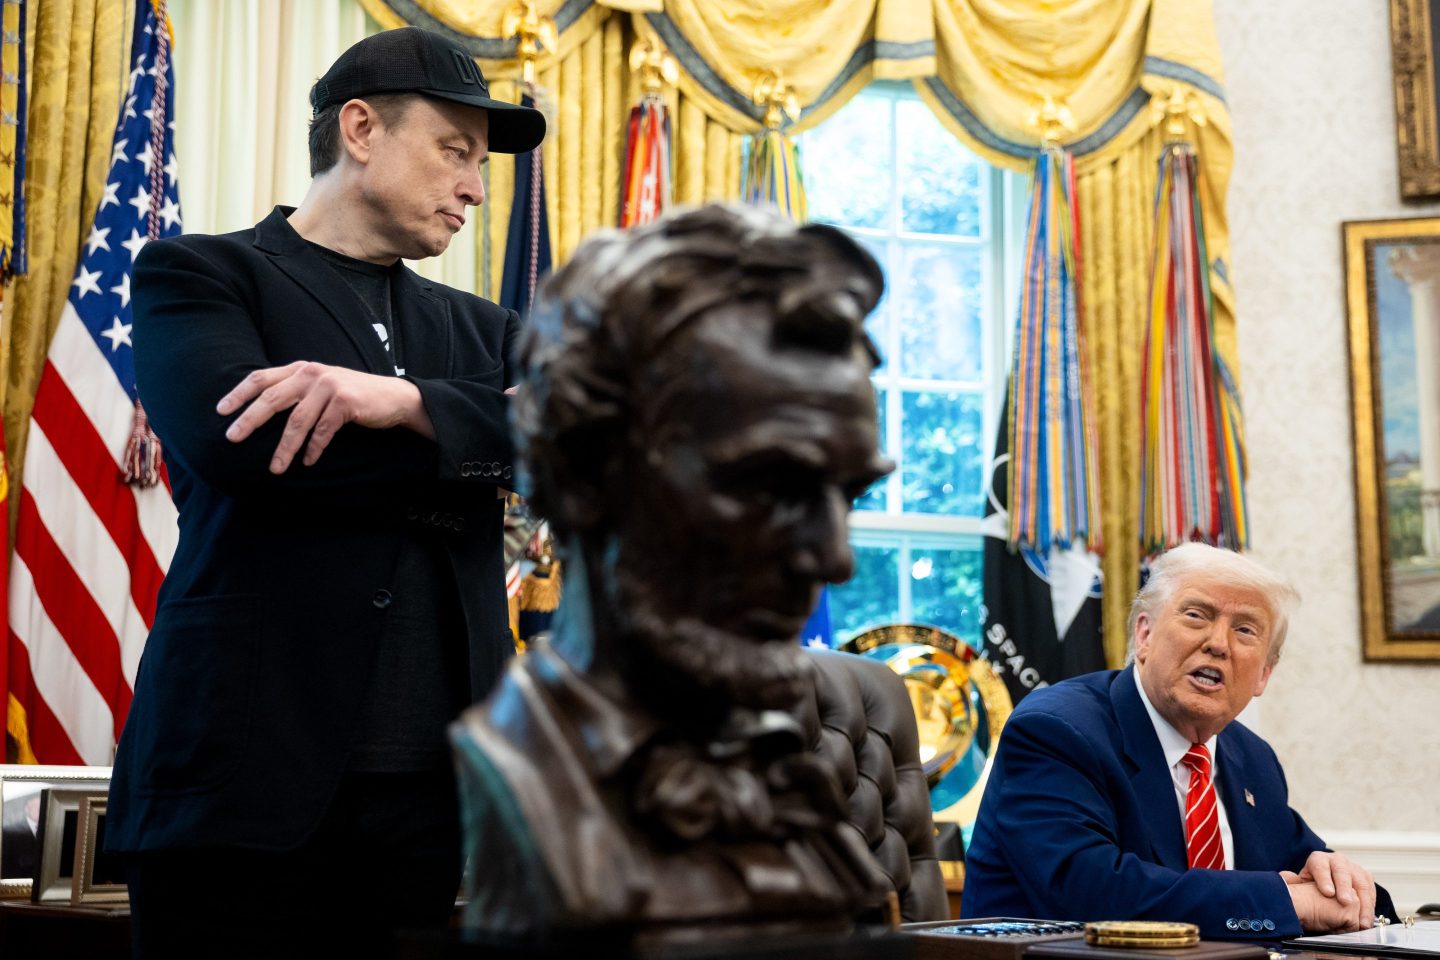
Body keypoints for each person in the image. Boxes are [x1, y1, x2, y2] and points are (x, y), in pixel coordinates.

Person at [106, 27, 544, 957]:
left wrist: (398, 403)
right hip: (236, 787)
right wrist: (475, 439)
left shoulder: (486, 329)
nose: (475, 186)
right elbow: (254, 452)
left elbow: (593, 442)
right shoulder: (198, 275)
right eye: (455, 152)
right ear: (360, 128)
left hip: (436, 796)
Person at [450, 205, 897, 944]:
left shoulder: (789, 771)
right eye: (766, 487)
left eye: (847, 495)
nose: (832, 557)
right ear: (588, 476)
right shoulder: (522, 779)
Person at [961, 542, 1393, 938]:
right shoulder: (1056, 731)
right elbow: (1089, 895)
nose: (1218, 644)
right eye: (1196, 615)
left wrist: (1340, 881)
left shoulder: (1252, 759)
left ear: (1264, 674)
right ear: (1144, 635)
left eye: (1245, 630)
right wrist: (1285, 900)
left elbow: (1324, 885)